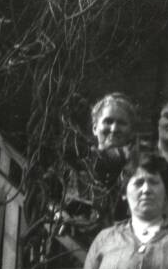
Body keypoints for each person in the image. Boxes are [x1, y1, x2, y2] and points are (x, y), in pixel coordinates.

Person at [56, 92, 137, 243]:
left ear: (131, 131)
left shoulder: (139, 171)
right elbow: (49, 196)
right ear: (94, 128)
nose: (114, 129)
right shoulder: (76, 167)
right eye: (107, 121)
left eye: (122, 123)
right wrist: (57, 212)